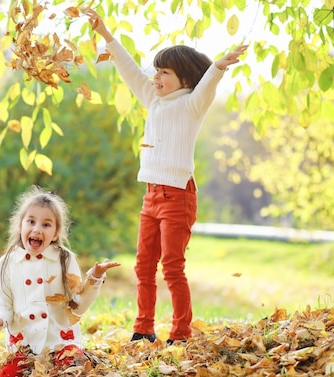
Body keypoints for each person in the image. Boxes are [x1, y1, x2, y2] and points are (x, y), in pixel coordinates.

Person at [86, 9, 248, 345]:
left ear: (185, 80)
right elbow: (130, 70)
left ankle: (180, 333)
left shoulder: (191, 105)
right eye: (156, 71)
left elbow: (207, 85)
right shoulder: (153, 101)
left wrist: (218, 66)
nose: (155, 78)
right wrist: (105, 34)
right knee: (143, 267)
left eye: (164, 72)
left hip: (178, 196)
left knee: (172, 268)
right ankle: (143, 329)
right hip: (151, 196)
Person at [0, 186, 120, 377]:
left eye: (46, 225)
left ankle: (68, 360)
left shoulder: (64, 259)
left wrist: (94, 278)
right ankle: (0, 367)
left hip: (60, 341)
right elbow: (4, 304)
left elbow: (78, 306)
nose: (37, 229)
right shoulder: (7, 263)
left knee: (75, 373)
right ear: (20, 226)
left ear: (55, 233)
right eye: (31, 221)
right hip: (25, 345)